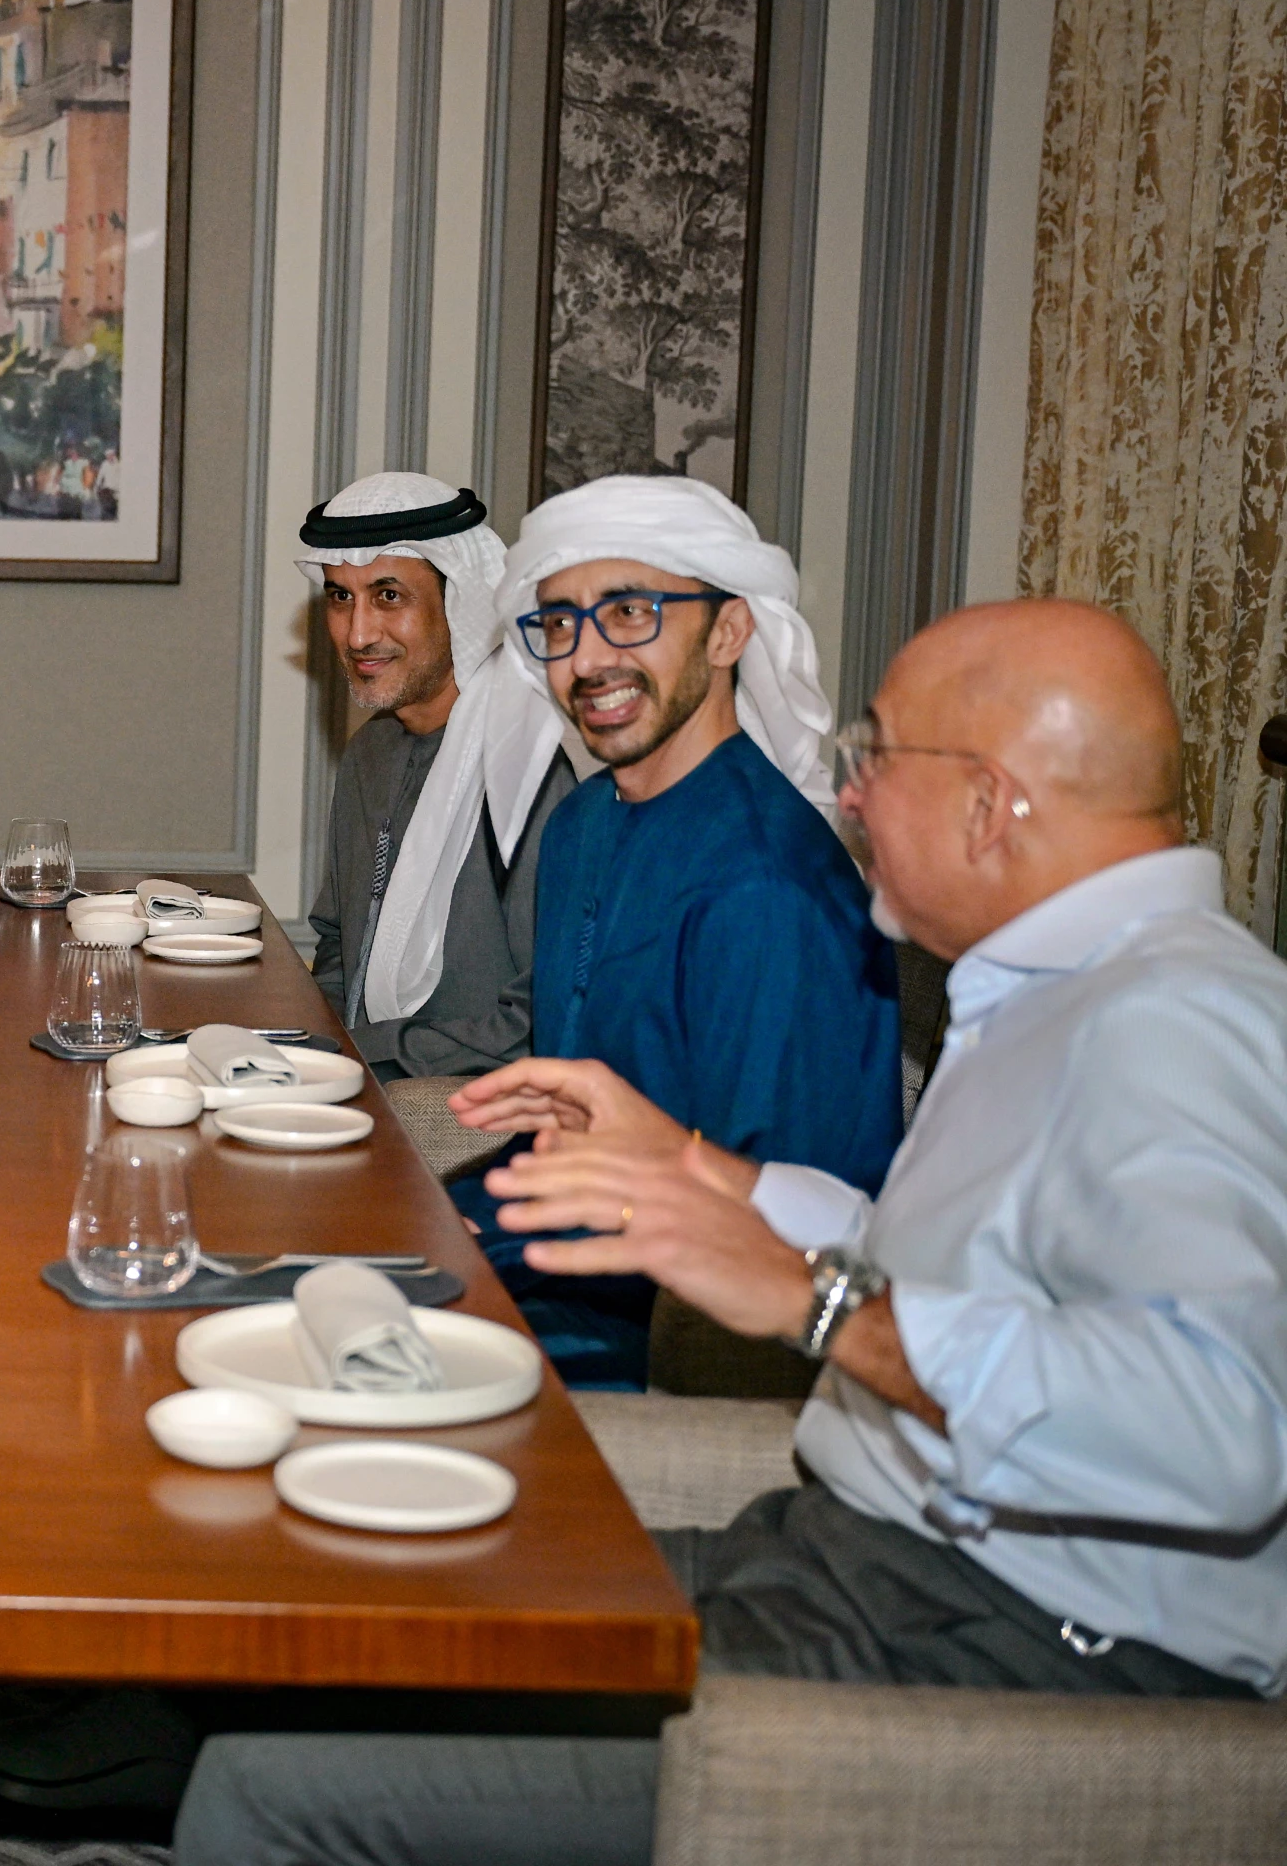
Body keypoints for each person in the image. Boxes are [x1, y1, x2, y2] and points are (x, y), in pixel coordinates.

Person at [175, 598, 1287, 1865]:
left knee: (266, 1789)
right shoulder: (1058, 987)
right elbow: (960, 1272)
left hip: (1009, 1638)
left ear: (994, 803)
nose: (850, 797)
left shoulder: (1174, 1025)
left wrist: (820, 1304)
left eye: (875, 758)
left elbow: (1220, 1423)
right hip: (848, 1550)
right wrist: (692, 1165)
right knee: (333, 1629)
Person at [457, 475, 900, 1385]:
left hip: (652, 1335)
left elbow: (774, 1216)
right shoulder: (584, 826)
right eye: (560, 623)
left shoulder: (766, 884)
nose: (585, 660)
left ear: (730, 631)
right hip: (540, 1259)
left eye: (630, 613)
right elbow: (572, 1128)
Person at [298, 472, 575, 1080]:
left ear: (463, 605)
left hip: (485, 1124)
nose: (359, 633)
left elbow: (546, 1020)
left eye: (389, 596)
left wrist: (360, 1058)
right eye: (340, 596)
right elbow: (339, 944)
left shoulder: (530, 768)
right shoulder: (370, 754)